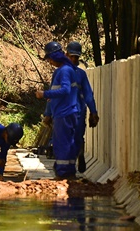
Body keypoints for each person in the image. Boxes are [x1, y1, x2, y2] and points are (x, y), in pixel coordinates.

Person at [35, 41, 79, 179]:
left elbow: (65, 90)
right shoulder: (65, 69)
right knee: (68, 143)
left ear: (54, 57)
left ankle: (63, 173)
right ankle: (68, 172)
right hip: (66, 111)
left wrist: (44, 94)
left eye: (49, 58)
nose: (49, 62)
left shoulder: (64, 70)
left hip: (64, 113)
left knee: (62, 144)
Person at [65, 41, 99, 173]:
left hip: (78, 112)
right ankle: (67, 167)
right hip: (64, 113)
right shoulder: (60, 73)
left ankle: (79, 156)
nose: (73, 59)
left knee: (78, 137)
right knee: (65, 138)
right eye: (71, 56)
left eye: (76, 57)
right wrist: (48, 113)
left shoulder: (81, 74)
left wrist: (93, 112)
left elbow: (88, 94)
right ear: (66, 54)